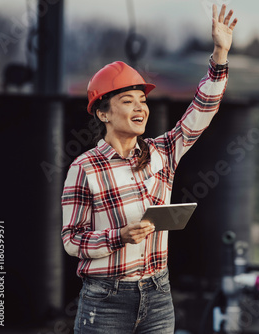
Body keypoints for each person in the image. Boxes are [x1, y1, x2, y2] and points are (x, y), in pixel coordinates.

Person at [61, 5, 237, 333]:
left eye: (142, 101)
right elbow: (72, 241)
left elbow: (203, 109)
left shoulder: (163, 151)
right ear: (103, 114)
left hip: (158, 294)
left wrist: (220, 55)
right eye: (128, 101)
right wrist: (119, 237)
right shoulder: (85, 168)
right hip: (105, 300)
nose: (140, 107)